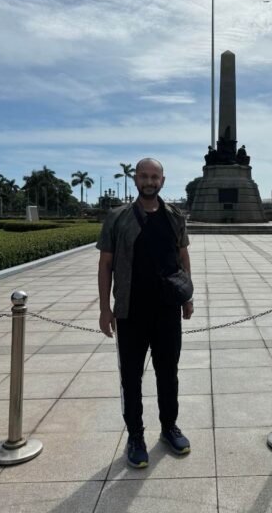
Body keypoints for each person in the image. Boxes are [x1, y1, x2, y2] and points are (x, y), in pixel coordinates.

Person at [97, 158, 194, 468]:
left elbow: (183, 256)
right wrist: (104, 309)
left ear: (162, 181)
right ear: (136, 180)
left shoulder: (175, 216)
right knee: (131, 377)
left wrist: (187, 297)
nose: (149, 181)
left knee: (169, 373)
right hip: (130, 311)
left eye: (155, 177)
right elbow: (106, 264)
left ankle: (169, 427)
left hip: (167, 310)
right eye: (144, 176)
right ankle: (135, 436)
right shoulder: (117, 218)